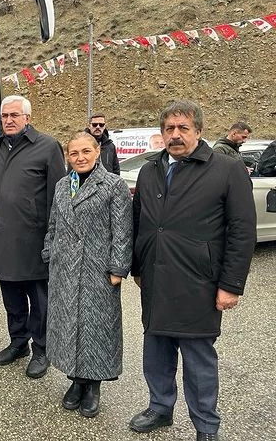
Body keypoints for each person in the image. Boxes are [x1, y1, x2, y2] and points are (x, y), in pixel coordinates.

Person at [129, 99, 256, 441]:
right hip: (156, 279)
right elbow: (140, 222)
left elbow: (242, 230)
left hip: (198, 281)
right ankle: (160, 407)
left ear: (198, 131)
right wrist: (138, 268)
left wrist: (231, 284)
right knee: (156, 352)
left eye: (183, 128)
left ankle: (206, 426)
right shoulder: (150, 170)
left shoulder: (226, 169)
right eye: (169, 128)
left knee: (199, 361)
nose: (175, 135)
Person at [42, 131, 132, 418]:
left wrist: (118, 268)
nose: (79, 157)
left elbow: (122, 231)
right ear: (67, 157)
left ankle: (93, 384)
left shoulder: (113, 185)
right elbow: (54, 223)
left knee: (95, 328)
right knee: (69, 325)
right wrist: (49, 252)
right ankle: (76, 380)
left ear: (97, 152)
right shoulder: (62, 185)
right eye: (74, 153)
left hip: (97, 270)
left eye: (85, 151)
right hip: (64, 269)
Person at [0, 95, 66, 379]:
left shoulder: (48, 147)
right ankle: (18, 342)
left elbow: (58, 196)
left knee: (39, 300)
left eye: (14, 115)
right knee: (11, 296)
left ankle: (41, 349)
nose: (8, 120)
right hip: (2, 237)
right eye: (5, 115)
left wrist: (55, 236)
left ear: (28, 117)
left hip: (34, 239)